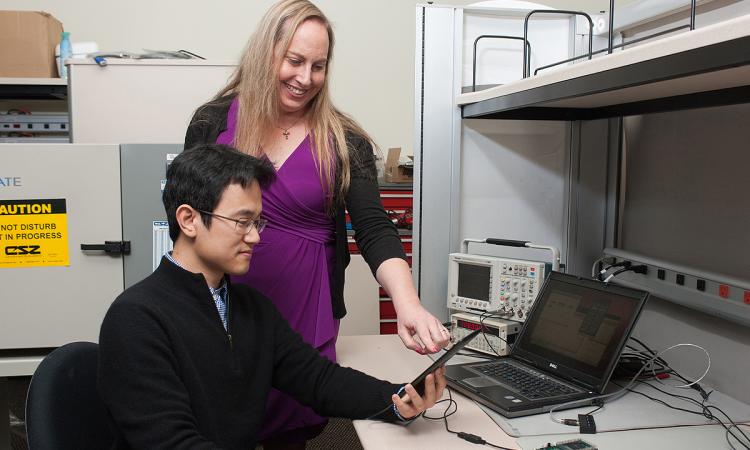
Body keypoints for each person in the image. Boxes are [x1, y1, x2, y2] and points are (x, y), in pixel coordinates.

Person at [184, 0, 450, 446]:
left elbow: (374, 227)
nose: (304, 78)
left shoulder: (345, 140)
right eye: (294, 60)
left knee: (294, 424)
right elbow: (186, 222)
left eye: (318, 65)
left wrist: (407, 304)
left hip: (306, 312)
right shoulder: (213, 122)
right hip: (221, 310)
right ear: (265, 52)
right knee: (215, 423)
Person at [97, 144, 447, 450]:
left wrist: (397, 400)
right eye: (242, 221)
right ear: (188, 220)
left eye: (258, 223)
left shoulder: (251, 308)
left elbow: (318, 381)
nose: (255, 237)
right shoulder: (136, 319)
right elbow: (170, 442)